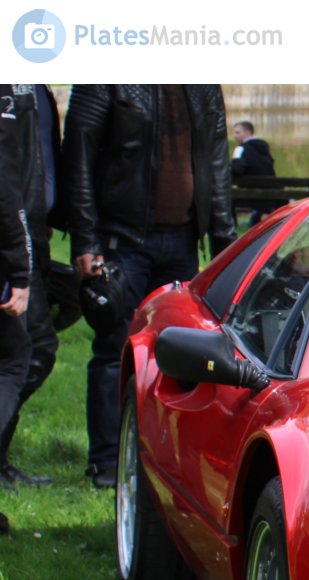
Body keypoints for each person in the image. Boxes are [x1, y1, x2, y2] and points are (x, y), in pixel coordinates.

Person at [64, 85, 236, 488]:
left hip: (182, 241)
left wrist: (227, 246)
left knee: (182, 355)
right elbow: (79, 154)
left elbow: (216, 158)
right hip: (122, 240)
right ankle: (106, 461)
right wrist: (86, 240)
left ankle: (164, 462)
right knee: (113, 350)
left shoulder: (203, 83)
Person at [0, 83, 63, 493]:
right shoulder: (11, 88)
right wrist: (18, 267)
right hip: (11, 245)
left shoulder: (35, 89)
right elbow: (6, 185)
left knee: (33, 351)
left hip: (29, 238)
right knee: (18, 357)